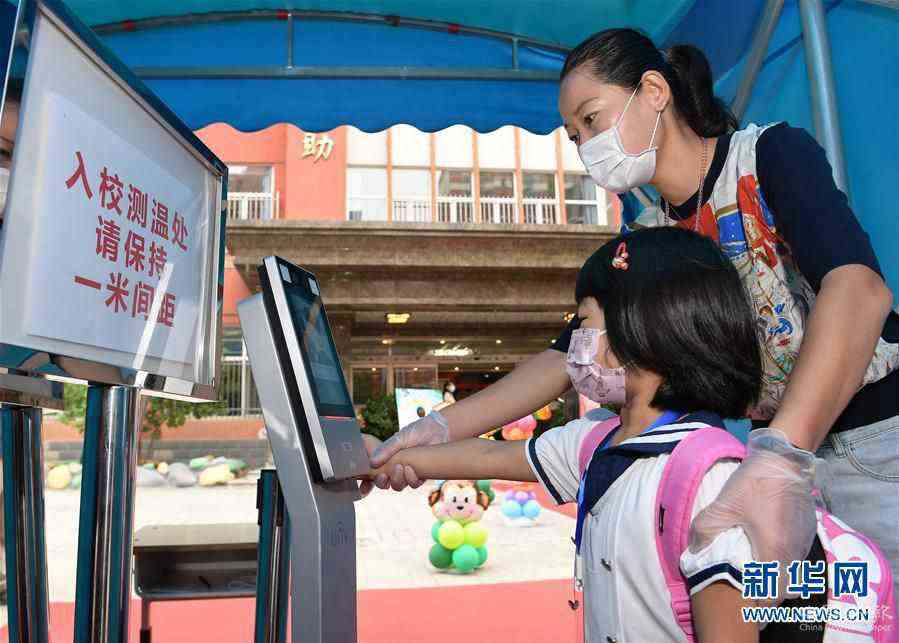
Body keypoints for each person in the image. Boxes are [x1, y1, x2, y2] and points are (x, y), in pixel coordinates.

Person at [367, 28, 899, 596]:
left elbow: (858, 288)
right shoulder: (647, 236)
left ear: (653, 90)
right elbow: (563, 358)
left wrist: (779, 454)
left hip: (873, 445)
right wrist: (435, 429)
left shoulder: (767, 155)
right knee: (817, 627)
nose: (586, 145)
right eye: (574, 136)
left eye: (591, 120)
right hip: (772, 459)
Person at [364, 228, 894, 642]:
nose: (574, 344)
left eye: (584, 323)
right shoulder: (597, 442)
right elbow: (489, 458)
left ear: (643, 327)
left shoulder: (711, 483)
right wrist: (387, 456)